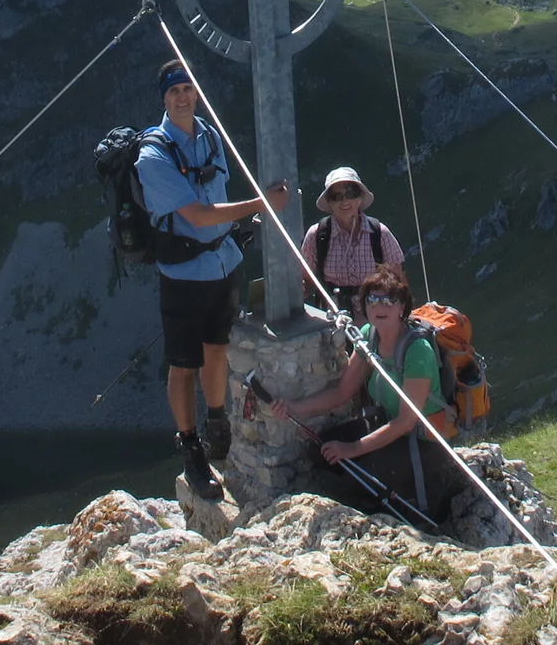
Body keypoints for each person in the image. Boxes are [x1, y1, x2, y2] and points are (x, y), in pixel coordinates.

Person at [136, 58, 289, 502]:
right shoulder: (153, 154)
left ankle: (218, 423)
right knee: (183, 365)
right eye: (173, 91)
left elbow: (216, 203)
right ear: (164, 98)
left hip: (222, 265)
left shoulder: (209, 135)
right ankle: (191, 449)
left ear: (196, 91)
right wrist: (261, 204)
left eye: (187, 87)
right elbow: (199, 216)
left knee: (217, 348)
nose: (182, 96)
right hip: (183, 275)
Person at [270, 268, 465, 524]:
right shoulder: (368, 337)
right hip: (389, 425)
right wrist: (294, 408)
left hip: (422, 442)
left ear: (402, 307)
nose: (379, 306)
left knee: (356, 477)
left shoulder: (418, 350)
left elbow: (406, 421)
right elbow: (342, 392)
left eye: (388, 300)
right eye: (373, 299)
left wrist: (351, 448)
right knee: (321, 451)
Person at [300, 166, 407, 315]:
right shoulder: (316, 235)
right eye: (336, 196)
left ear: (360, 197)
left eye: (350, 193)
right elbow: (307, 281)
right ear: (329, 202)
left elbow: (398, 283)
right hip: (333, 319)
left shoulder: (380, 233)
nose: (344, 201)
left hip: (375, 320)